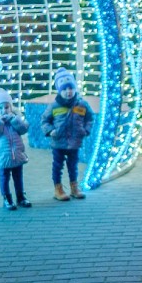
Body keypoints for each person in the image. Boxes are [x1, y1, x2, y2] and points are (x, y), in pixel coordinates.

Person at [41, 67, 94, 201]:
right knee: (58, 166)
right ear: (59, 90)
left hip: (74, 142)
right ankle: (58, 189)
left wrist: (86, 130)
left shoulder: (81, 104)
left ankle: (74, 187)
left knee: (73, 166)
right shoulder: (54, 106)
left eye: (70, 88)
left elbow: (90, 118)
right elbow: (45, 120)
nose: (68, 91)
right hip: (58, 142)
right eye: (64, 89)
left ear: (74, 88)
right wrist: (50, 130)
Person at [0, 87, 31, 210]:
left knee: (18, 177)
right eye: (0, 108)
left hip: (17, 155)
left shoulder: (15, 119)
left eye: (6, 107)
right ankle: (7, 198)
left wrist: (15, 120)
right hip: (3, 157)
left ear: (11, 107)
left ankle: (21, 197)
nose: (3, 110)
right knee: (4, 178)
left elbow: (24, 129)